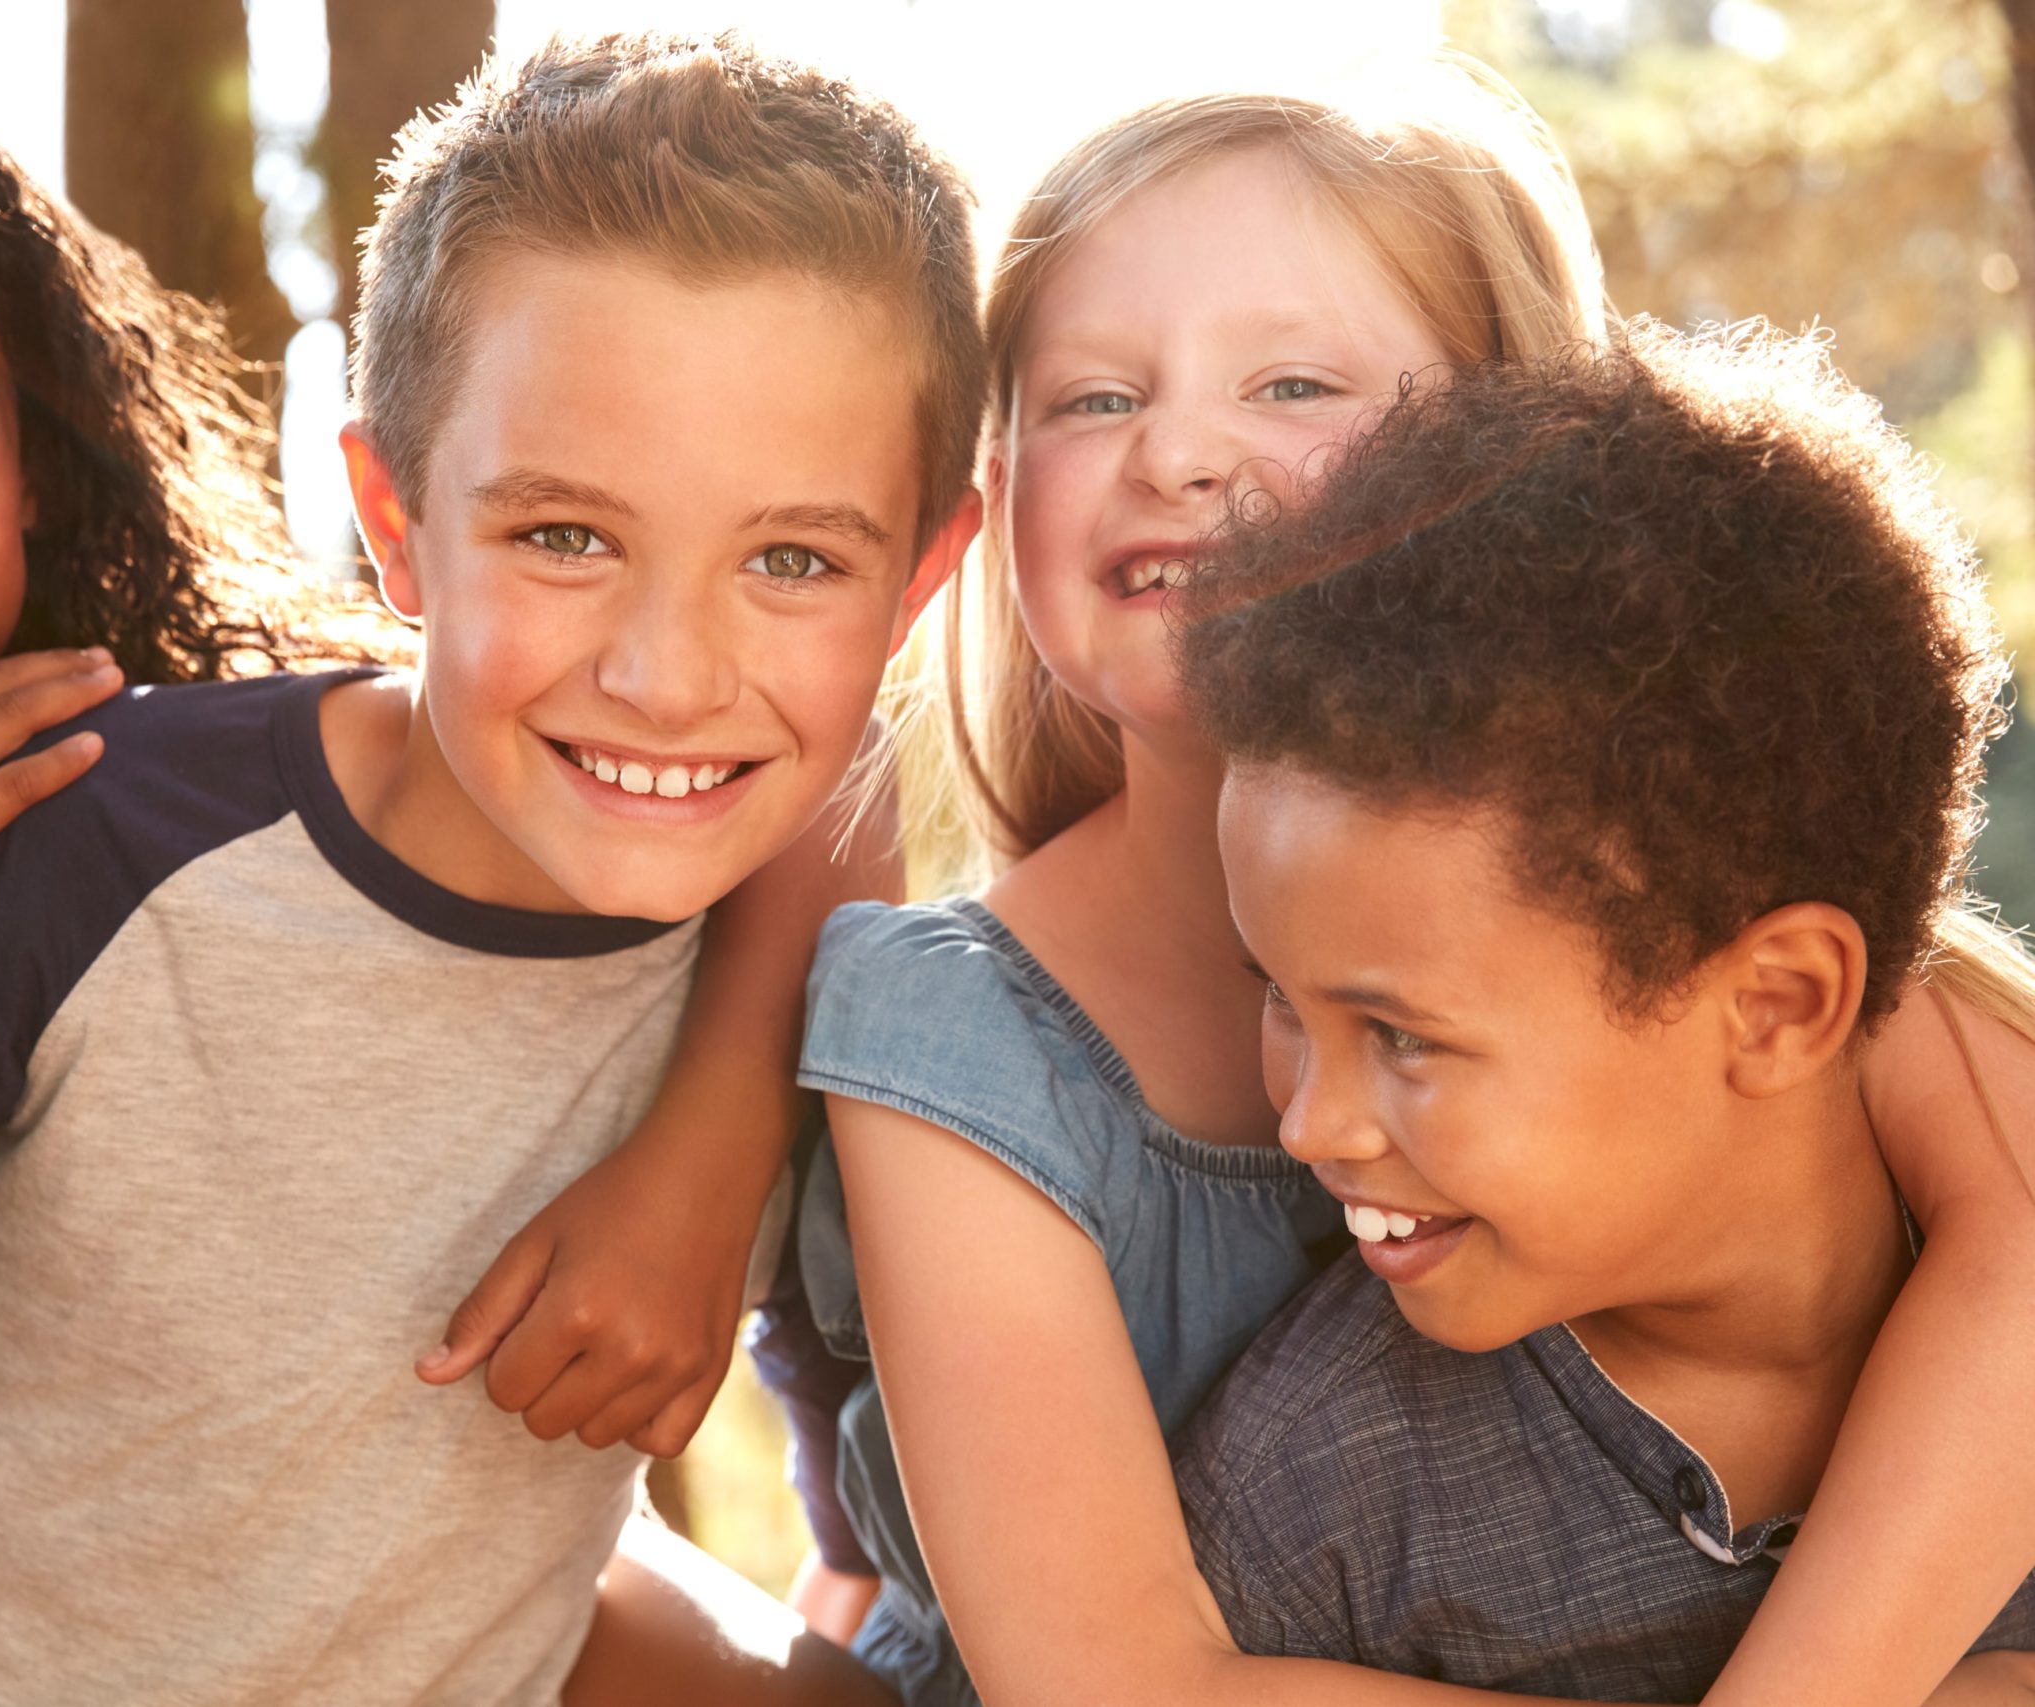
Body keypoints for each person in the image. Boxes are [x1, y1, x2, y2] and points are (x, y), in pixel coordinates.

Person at [0, 58, 914, 1706]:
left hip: (243, 1526)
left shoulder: (162, 760)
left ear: (36, 458)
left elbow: (817, 772)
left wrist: (705, 1151)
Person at [779, 66, 2035, 1707]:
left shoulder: (1715, 887)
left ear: (1516, 437)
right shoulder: (958, 1032)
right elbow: (1115, 1685)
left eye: (1291, 382)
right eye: (1092, 400)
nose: (1175, 452)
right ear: (996, 485)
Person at [1171, 322, 2035, 1699]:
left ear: (1776, 1008)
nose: (1307, 1123)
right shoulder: (1307, 1509)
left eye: (1402, 1036)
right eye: (1281, 998)